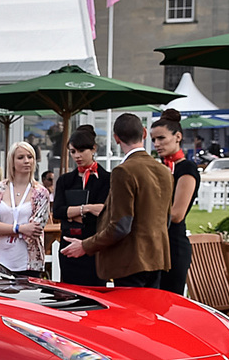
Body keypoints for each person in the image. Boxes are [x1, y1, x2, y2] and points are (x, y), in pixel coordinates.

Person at [62, 113, 173, 288]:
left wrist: (85, 245)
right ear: (144, 133)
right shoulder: (164, 171)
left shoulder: (124, 171)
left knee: (132, 314)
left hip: (131, 262)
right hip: (158, 258)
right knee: (151, 314)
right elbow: (166, 219)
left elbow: (120, 225)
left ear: (116, 138)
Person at [0, 141, 52, 277]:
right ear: (11, 161)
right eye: (20, 157)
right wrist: (19, 228)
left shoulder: (41, 192)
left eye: (30, 157)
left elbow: (34, 230)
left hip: (29, 262)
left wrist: (0, 228)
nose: (26, 161)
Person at [51, 125, 110, 287]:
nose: (77, 156)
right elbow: (58, 211)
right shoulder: (65, 180)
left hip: (94, 245)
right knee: (69, 292)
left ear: (93, 149)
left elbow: (104, 211)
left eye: (81, 151)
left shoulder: (107, 179)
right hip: (69, 244)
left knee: (96, 293)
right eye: (73, 151)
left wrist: (75, 211)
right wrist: (87, 208)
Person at [151, 108, 201, 296]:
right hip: (153, 245)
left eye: (161, 138)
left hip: (173, 245)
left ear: (177, 136)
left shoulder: (186, 168)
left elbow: (177, 214)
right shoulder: (158, 168)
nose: (157, 144)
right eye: (154, 140)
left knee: (168, 304)